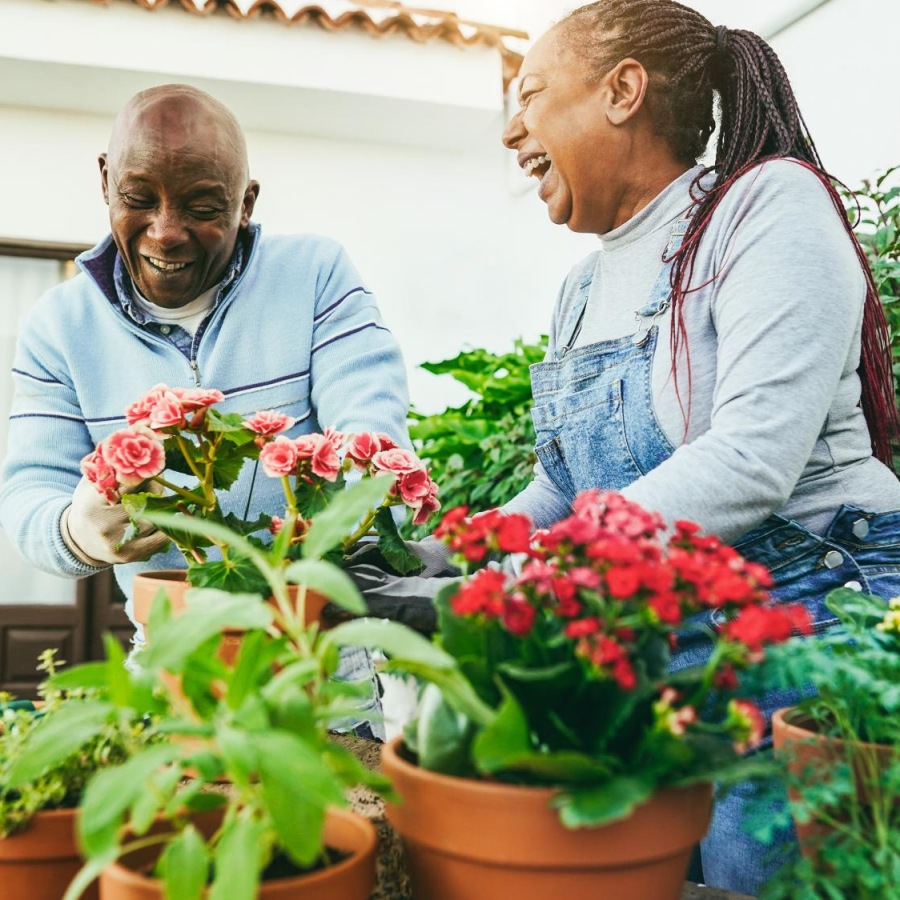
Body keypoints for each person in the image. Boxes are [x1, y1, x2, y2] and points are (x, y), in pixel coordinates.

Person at [347, 0, 900, 893]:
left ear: (623, 91)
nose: (511, 131)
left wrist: (511, 584)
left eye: (529, 95)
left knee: (745, 875)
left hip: (808, 627)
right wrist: (431, 556)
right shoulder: (582, 287)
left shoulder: (769, 206)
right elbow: (562, 490)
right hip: (666, 650)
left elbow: (750, 459)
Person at [0, 83, 413, 741]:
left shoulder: (314, 276)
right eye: (138, 199)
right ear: (105, 181)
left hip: (322, 681)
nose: (166, 231)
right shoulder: (58, 326)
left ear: (247, 202)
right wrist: (79, 528)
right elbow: (25, 501)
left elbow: (374, 441)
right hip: (171, 682)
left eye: (202, 206)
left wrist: (333, 516)